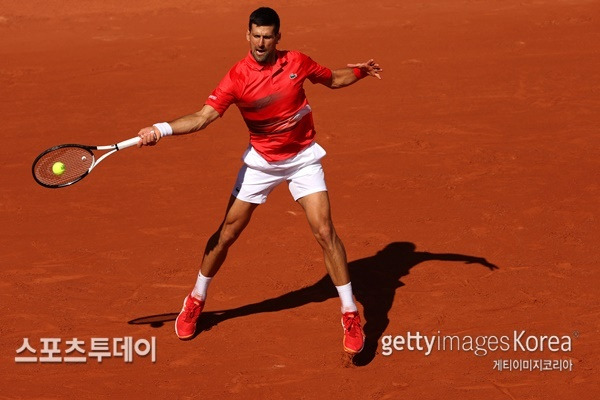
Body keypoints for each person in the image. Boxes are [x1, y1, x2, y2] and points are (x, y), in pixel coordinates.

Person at [137, 7, 382, 354]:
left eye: (268, 36)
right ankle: (195, 298)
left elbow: (332, 78)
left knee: (325, 231)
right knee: (226, 234)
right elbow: (203, 116)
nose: (261, 42)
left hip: (302, 160)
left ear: (278, 38)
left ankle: (349, 313)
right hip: (262, 164)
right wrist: (160, 130)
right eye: (256, 35)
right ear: (247, 35)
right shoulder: (237, 77)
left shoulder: (297, 62)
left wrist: (359, 71)